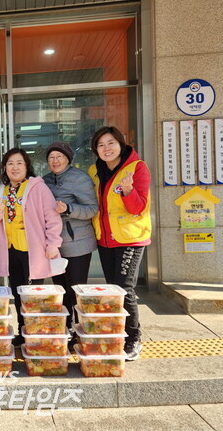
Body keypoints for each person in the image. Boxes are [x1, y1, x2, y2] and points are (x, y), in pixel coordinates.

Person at [0, 148, 63, 347]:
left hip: (33, 251)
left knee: (34, 295)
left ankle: (36, 335)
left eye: (19, 163)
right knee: (18, 293)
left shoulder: (38, 188)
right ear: (5, 168)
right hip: (10, 251)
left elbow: (52, 218)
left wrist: (53, 244)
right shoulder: (0, 190)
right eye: (10, 163)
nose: (15, 167)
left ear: (27, 166)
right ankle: (23, 331)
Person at [88, 126, 151, 361]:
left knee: (125, 289)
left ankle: (134, 338)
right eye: (101, 145)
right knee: (114, 290)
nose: (106, 148)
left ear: (121, 144)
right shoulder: (95, 171)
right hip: (105, 239)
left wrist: (127, 190)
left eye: (111, 143)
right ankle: (118, 334)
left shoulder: (137, 168)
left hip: (129, 238)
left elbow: (138, 208)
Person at [43, 141, 98, 333]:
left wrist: (68, 209)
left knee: (76, 290)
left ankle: (80, 329)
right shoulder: (45, 180)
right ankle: (65, 327)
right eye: (51, 157)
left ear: (68, 158)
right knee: (60, 290)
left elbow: (92, 209)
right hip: (54, 246)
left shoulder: (80, 178)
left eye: (59, 156)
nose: (55, 161)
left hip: (78, 244)